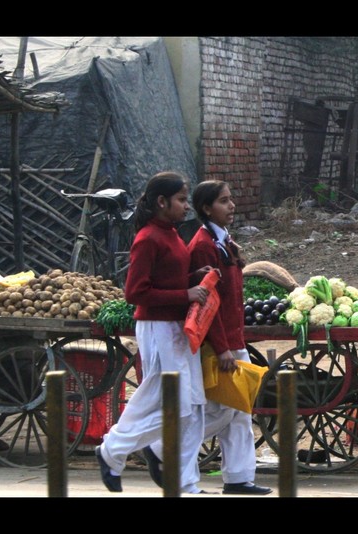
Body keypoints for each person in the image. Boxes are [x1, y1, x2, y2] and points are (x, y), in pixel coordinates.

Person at [142, 180, 273, 495]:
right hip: (220, 342)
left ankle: (239, 478)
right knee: (220, 410)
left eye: (231, 200)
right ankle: (160, 447)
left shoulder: (222, 241)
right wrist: (223, 347)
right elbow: (207, 304)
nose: (231, 207)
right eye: (224, 201)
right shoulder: (202, 245)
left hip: (234, 336)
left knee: (240, 410)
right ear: (206, 208)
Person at [95, 171, 212, 494]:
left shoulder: (171, 234)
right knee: (171, 401)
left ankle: (178, 474)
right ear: (162, 202)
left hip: (178, 327)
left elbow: (168, 279)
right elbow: (135, 292)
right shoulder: (148, 238)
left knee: (189, 405)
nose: (187, 207)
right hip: (158, 327)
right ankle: (115, 449)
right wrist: (184, 294)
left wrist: (193, 277)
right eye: (182, 200)